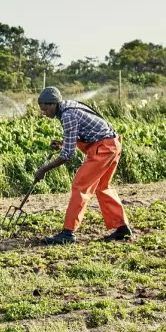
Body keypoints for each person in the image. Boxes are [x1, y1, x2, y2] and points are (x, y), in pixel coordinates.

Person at [33, 86, 134, 245]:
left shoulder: (67, 115)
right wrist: (63, 142)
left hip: (103, 148)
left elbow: (67, 155)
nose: (44, 113)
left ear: (53, 104)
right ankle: (122, 229)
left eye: (45, 109)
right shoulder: (68, 107)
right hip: (112, 144)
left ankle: (68, 233)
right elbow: (82, 133)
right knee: (103, 187)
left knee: (80, 186)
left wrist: (44, 170)